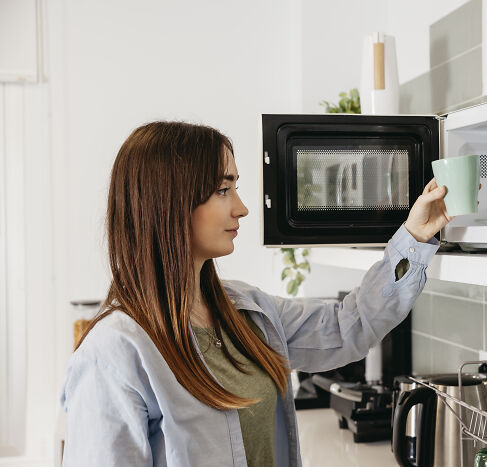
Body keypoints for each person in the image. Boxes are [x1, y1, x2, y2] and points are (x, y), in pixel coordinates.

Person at [60, 121, 453, 467]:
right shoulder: (113, 355)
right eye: (222, 189)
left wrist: (414, 238)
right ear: (170, 202)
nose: (243, 207)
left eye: (236, 187)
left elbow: (348, 326)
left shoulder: (247, 311)